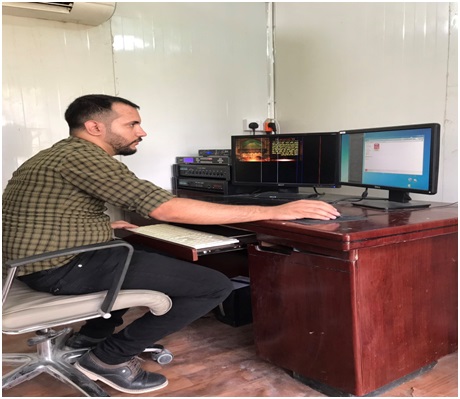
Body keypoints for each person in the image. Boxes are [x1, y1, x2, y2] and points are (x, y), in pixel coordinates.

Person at [2, 94, 340, 394]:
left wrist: (101, 225)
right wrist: (280, 211)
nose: (142, 131)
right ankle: (107, 359)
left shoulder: (60, 155)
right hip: (59, 267)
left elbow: (46, 211)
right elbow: (164, 208)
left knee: (142, 251)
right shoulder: (83, 158)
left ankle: (90, 335)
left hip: (39, 259)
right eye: (132, 123)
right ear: (95, 127)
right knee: (211, 286)